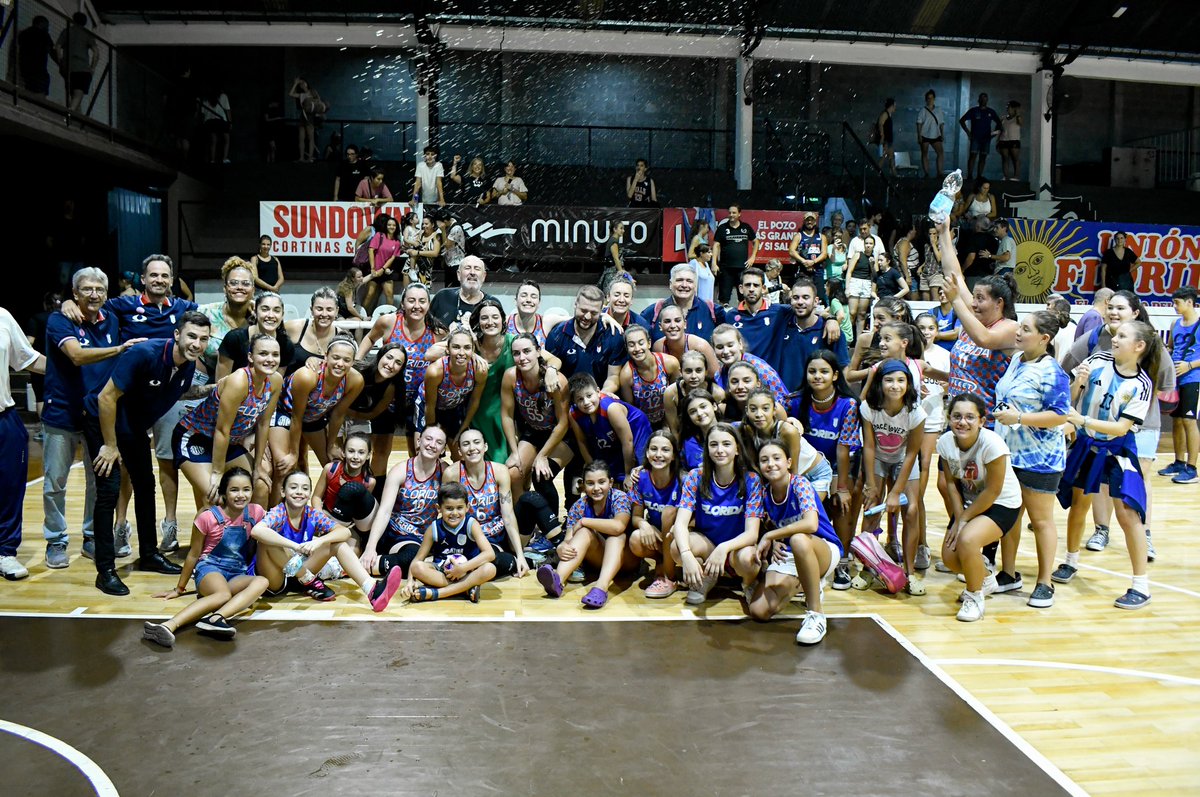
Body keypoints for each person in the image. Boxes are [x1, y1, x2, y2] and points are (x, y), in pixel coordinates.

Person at [84, 313, 212, 595]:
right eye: (192, 336)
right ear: (177, 334)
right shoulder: (144, 353)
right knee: (109, 489)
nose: (197, 343)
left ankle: (149, 554)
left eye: (203, 339)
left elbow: (176, 392)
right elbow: (105, 397)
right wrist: (109, 444)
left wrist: (215, 389)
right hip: (102, 422)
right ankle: (105, 570)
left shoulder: (188, 366)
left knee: (145, 485)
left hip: (133, 427)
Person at [1053, 321, 1160, 611]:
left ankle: (1141, 585)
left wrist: (1081, 421)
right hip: (1087, 445)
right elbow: (1073, 396)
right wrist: (1079, 385)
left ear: (1139, 347)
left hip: (1118, 451)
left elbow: (1122, 428)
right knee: (1079, 503)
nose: (1115, 339)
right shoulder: (1097, 360)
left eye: (1122, 336)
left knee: (1128, 515)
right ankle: (1070, 561)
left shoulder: (1142, 384)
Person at [1060, 291, 1174, 558]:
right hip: (1095, 426)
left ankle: (1143, 533)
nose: (1113, 312)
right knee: (1097, 480)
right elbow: (1067, 370)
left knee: (1139, 476)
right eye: (1110, 307)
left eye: (1120, 308)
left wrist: (1132, 401)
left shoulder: (1149, 342)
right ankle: (1102, 529)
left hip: (1140, 423)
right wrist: (1079, 391)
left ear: (1134, 313)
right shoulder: (1095, 341)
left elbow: (1165, 383)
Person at [41, 270, 138, 569]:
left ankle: (91, 537)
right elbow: (77, 355)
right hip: (63, 413)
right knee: (55, 481)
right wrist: (119, 349)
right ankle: (56, 539)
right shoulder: (60, 320)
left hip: (96, 416)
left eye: (99, 289)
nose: (93, 294)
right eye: (86, 290)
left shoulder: (111, 317)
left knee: (96, 481)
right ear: (74, 292)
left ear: (107, 293)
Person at [991, 311, 1071, 608]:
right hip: (1008, 453)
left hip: (1040, 459)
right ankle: (1008, 573)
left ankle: (1044, 582)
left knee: (1040, 521)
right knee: (1011, 516)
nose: (1018, 333)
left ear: (1044, 338)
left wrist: (1020, 417)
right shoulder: (1017, 359)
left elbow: (1060, 415)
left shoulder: (1052, 372)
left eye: (1026, 329)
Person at [141, 469, 269, 648]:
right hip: (210, 568)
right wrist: (179, 588)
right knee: (223, 595)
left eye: (246, 489)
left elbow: (275, 526)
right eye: (234, 490)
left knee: (262, 581)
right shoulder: (207, 517)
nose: (241, 495)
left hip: (236, 572)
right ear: (224, 492)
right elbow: (194, 554)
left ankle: (216, 618)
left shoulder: (256, 512)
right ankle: (167, 625)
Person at [252, 470, 404, 609]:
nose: (299, 492)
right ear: (283, 491)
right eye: (293, 487)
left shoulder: (311, 513)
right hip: (276, 578)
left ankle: (372, 589)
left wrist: (320, 541)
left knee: (337, 544)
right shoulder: (278, 512)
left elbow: (344, 532)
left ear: (310, 493)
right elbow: (257, 531)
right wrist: (294, 546)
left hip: (302, 571)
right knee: (266, 541)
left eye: (305, 488)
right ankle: (307, 580)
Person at [938, 394, 1025, 622]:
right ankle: (985, 577)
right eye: (957, 416)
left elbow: (992, 491)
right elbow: (951, 483)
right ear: (949, 418)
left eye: (969, 417)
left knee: (967, 540)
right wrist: (958, 519)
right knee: (949, 557)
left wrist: (964, 520)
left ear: (982, 421)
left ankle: (974, 597)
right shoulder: (945, 442)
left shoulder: (992, 443)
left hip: (1002, 503)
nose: (962, 422)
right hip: (970, 503)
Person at [747, 440, 841, 645]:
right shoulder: (764, 493)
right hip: (791, 552)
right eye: (764, 460)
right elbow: (763, 526)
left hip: (822, 548)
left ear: (788, 462)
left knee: (799, 539)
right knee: (758, 610)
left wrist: (770, 536)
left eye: (776, 458)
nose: (771, 464)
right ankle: (806, 583)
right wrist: (772, 538)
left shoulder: (800, 484)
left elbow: (811, 524)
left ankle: (816, 614)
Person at [175, 334, 282, 509]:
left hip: (228, 442)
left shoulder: (276, 381)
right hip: (195, 436)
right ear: (250, 357)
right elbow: (222, 430)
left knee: (261, 486)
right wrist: (218, 472)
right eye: (263, 354)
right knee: (214, 498)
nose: (270, 359)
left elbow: (264, 423)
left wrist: (258, 466)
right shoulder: (239, 381)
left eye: (275, 355)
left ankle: (254, 536)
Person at [788, 350, 861, 589]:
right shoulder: (795, 401)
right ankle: (799, 555)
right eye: (812, 371)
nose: (817, 376)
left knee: (842, 503)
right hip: (805, 468)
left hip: (839, 466)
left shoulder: (847, 404)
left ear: (835, 375)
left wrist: (840, 488)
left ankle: (842, 560)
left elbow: (843, 449)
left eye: (823, 371)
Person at [670, 423, 765, 604]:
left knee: (748, 559)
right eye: (713, 445)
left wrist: (724, 548)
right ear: (707, 449)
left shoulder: (751, 479)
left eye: (726, 444)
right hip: (708, 546)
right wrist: (686, 555)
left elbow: (752, 534)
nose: (720, 450)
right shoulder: (695, 476)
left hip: (735, 550)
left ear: (737, 449)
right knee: (676, 547)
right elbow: (681, 523)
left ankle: (749, 583)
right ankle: (706, 577)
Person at [936, 218, 1018, 421]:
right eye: (974, 297)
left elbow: (985, 339)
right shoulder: (973, 318)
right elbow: (954, 274)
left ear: (998, 304)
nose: (973, 303)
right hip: (957, 419)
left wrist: (955, 299)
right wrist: (944, 232)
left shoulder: (1011, 327)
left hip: (988, 423)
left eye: (980, 299)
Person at [859, 359, 926, 594]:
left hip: (902, 460)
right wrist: (870, 484)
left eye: (901, 380)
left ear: (908, 383)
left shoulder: (916, 412)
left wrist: (896, 491)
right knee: (871, 507)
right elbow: (868, 446)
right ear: (880, 382)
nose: (895, 386)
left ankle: (909, 572)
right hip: (877, 457)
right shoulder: (869, 407)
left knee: (912, 510)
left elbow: (911, 454)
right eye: (889, 380)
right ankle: (868, 568)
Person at [535, 461, 636, 609]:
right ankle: (557, 580)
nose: (596, 488)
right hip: (599, 559)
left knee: (616, 536)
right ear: (583, 485)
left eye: (601, 482)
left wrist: (584, 521)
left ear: (611, 482)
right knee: (583, 532)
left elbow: (618, 526)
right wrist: (562, 547)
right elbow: (569, 539)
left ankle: (601, 588)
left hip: (627, 559)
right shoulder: (579, 506)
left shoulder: (619, 497)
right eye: (590, 483)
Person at [357, 283, 444, 453]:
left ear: (428, 305)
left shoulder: (437, 331)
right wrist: (356, 363)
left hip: (418, 400)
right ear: (403, 303)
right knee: (381, 450)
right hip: (387, 397)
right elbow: (369, 338)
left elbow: (457, 345)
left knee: (419, 450)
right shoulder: (389, 321)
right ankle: (381, 480)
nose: (416, 306)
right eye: (411, 301)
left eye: (422, 301)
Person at [268, 335, 363, 484]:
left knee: (333, 467)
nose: (340, 364)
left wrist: (331, 445)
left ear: (353, 362)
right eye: (336, 357)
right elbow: (296, 418)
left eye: (346, 360)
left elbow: (338, 414)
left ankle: (328, 505)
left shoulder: (355, 381)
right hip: (286, 412)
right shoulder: (307, 376)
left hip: (313, 416)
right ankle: (276, 507)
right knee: (285, 467)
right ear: (326, 356)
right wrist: (293, 453)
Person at [361, 426, 448, 577]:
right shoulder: (401, 470)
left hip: (426, 536)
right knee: (411, 558)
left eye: (439, 442)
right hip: (398, 533)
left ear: (443, 448)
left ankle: (378, 564)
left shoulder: (446, 472)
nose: (432, 445)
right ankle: (364, 565)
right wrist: (370, 547)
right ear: (419, 441)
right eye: (428, 439)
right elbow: (385, 511)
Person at [0, 308, 45, 581]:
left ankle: (5, 552)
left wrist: (84, 367)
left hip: (4, 417)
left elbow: (29, 359)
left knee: (9, 488)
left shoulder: (2, 317)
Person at [447, 428, 528, 578]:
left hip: (492, 539)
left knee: (504, 562)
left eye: (476, 442)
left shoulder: (500, 471)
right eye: (466, 444)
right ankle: (467, 575)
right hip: (465, 540)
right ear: (459, 451)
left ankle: (465, 573)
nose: (472, 448)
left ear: (485, 446)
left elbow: (508, 515)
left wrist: (520, 554)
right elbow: (446, 514)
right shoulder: (452, 474)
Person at [501, 333, 572, 500]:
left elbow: (563, 423)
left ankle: (550, 524)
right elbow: (507, 416)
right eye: (517, 353)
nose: (522, 357)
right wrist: (514, 452)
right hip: (534, 432)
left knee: (541, 475)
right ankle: (524, 523)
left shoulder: (557, 381)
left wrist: (542, 455)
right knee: (513, 474)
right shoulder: (511, 377)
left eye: (527, 351)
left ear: (538, 351)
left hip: (562, 436)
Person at [400, 483, 497, 604]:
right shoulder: (434, 528)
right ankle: (466, 588)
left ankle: (437, 593)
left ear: (467, 507)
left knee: (490, 569)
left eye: (459, 508)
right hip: (443, 574)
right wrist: (410, 581)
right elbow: (418, 559)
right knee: (416, 567)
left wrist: (462, 569)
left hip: (468, 571)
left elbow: (490, 554)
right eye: (449, 508)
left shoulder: (471, 524)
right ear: (439, 508)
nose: (454, 513)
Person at [568, 373, 652, 490]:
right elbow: (582, 442)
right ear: (574, 402)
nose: (586, 402)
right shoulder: (573, 413)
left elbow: (627, 442)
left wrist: (628, 474)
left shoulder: (612, 408)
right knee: (606, 472)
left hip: (636, 429)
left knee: (637, 474)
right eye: (580, 399)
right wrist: (593, 470)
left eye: (589, 395)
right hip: (610, 435)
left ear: (598, 392)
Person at [629, 429, 683, 598]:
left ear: (674, 455)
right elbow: (636, 517)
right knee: (636, 539)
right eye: (654, 449)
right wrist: (643, 524)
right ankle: (663, 562)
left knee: (668, 513)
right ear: (646, 452)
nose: (658, 454)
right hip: (659, 535)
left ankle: (668, 576)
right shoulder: (641, 478)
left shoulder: (684, 479)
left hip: (681, 537)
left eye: (665, 450)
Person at [544, 285, 626, 392]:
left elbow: (613, 376)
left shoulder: (613, 335)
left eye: (594, 313)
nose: (587, 317)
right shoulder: (557, 336)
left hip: (601, 396)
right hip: (568, 398)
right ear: (575, 304)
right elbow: (554, 376)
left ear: (602, 310)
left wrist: (602, 394)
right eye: (583, 310)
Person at [416, 327, 486, 450]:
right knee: (426, 449)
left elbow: (474, 401)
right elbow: (430, 406)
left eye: (467, 347)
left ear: (473, 350)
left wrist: (463, 428)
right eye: (456, 347)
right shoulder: (435, 371)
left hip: (453, 407)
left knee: (457, 451)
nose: (461, 353)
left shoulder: (479, 370)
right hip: (428, 407)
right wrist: (432, 434)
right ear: (447, 349)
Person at [345, 343, 407, 476]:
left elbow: (373, 414)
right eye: (389, 357)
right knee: (350, 452)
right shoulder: (357, 371)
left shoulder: (393, 386)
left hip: (373, 415)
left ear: (401, 368)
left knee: (382, 452)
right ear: (380, 356)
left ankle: (377, 487)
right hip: (345, 413)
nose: (391, 365)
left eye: (398, 362)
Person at [1161, 286, 1200, 484]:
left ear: (1190, 303)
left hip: (1192, 378)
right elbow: (1171, 346)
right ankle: (1178, 462)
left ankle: (1192, 468)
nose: (1174, 306)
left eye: (1177, 302)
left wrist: (1189, 365)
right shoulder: (1174, 324)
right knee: (1176, 420)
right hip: (1174, 379)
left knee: (1189, 421)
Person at [312, 432, 378, 542]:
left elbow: (360, 511)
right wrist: (320, 518)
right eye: (351, 451)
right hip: (325, 515)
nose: (356, 457)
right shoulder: (330, 469)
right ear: (343, 452)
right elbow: (316, 497)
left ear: (368, 455)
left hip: (347, 525)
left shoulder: (369, 482)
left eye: (361, 452)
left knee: (354, 551)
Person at [643, 263, 726, 344]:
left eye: (689, 281)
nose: (684, 285)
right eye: (679, 280)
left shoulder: (714, 312)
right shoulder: (653, 312)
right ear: (670, 284)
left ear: (695, 285)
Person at [710, 324, 788, 406]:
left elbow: (783, 402)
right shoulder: (719, 375)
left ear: (740, 344)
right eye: (720, 347)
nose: (725, 351)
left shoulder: (760, 369)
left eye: (730, 345)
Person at [618, 325, 679, 428]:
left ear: (649, 343)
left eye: (641, 343)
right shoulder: (626, 375)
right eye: (631, 345)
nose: (637, 349)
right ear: (627, 348)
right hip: (643, 423)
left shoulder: (670, 363)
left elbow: (677, 396)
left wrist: (669, 425)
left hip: (668, 416)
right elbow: (632, 410)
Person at [663, 352, 726, 439]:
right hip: (686, 437)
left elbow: (723, 424)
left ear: (706, 371)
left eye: (698, 370)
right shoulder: (671, 393)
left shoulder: (717, 393)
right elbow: (674, 430)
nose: (693, 376)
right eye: (688, 371)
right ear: (680, 372)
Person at [651, 303, 720, 379]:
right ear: (660, 326)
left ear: (685, 324)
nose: (673, 326)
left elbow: (717, 377)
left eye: (677, 320)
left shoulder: (700, 346)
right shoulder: (658, 347)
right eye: (667, 321)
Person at [429, 255, 500, 328]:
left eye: (477, 269)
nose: (472, 272)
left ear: (484, 276)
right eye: (467, 268)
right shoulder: (443, 297)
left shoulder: (492, 303)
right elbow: (427, 328)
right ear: (459, 275)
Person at [285, 287, 341, 375]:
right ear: (311, 310)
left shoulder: (340, 337)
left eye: (329, 309)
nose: (324, 314)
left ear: (336, 311)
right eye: (319, 309)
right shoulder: (293, 327)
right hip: (292, 385)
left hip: (323, 386)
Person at [712, 205, 759, 305]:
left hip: (742, 268)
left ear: (739, 214)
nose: (731, 215)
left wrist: (753, 257)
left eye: (734, 213)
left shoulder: (745, 227)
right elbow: (716, 245)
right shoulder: (722, 228)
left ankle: (742, 318)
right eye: (729, 213)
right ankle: (723, 319)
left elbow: (756, 242)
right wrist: (714, 263)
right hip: (726, 268)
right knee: (724, 299)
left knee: (743, 297)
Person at [55, 13, 97, 113]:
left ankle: (76, 117)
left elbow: (58, 47)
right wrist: (92, 67)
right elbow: (96, 52)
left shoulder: (67, 31)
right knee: (78, 93)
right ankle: (70, 113)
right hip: (82, 67)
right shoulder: (86, 34)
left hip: (69, 67)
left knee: (72, 94)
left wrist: (61, 62)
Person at [362, 215, 402, 311]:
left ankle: (390, 317)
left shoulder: (397, 242)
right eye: (389, 225)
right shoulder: (379, 236)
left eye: (393, 225)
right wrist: (373, 268)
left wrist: (383, 269)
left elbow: (392, 258)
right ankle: (362, 317)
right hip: (374, 271)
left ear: (396, 227)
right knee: (369, 295)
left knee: (389, 294)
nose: (391, 227)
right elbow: (371, 251)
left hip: (386, 272)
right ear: (386, 226)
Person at [958, 93, 1001, 181]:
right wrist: (968, 132)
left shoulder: (990, 111)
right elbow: (962, 120)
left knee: (983, 157)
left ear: (987, 100)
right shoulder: (974, 110)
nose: (983, 100)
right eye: (982, 99)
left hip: (986, 138)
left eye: (985, 99)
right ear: (979, 100)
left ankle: (979, 176)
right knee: (973, 155)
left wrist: (994, 133)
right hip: (975, 137)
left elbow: (999, 122)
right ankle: (970, 175)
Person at [845, 235, 882, 335]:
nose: (868, 245)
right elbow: (849, 271)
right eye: (866, 243)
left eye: (870, 244)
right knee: (852, 312)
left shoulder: (874, 257)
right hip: (855, 281)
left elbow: (875, 275)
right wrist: (847, 287)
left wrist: (872, 264)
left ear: (874, 246)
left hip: (867, 283)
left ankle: (858, 341)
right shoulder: (858, 254)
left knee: (862, 314)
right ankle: (848, 338)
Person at [289, 78, 327, 163]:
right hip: (303, 115)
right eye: (300, 84)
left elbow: (319, 102)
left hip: (310, 116)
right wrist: (295, 83)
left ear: (306, 83)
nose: (302, 84)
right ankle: (301, 157)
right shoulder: (301, 95)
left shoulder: (313, 91)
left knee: (310, 137)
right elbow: (290, 94)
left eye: (303, 82)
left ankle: (310, 158)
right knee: (301, 138)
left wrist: (312, 104)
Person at [787, 213, 828, 291]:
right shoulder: (798, 236)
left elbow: (824, 254)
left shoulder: (822, 237)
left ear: (815, 222)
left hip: (817, 272)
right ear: (804, 221)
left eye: (812, 220)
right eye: (807, 220)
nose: (809, 222)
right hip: (803, 272)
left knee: (819, 297)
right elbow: (791, 251)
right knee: (802, 293)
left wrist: (813, 262)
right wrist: (804, 261)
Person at [17, 16, 55, 96]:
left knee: (28, 87)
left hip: (24, 66)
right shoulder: (44, 35)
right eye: (47, 26)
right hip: (39, 68)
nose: (47, 28)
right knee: (41, 88)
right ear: (41, 24)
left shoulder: (24, 33)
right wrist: (61, 64)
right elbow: (52, 51)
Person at [916, 88, 946, 177]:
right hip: (925, 134)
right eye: (928, 98)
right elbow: (919, 123)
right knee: (925, 153)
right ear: (926, 99)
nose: (930, 100)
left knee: (940, 153)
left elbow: (941, 123)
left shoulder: (938, 109)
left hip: (935, 134)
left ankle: (939, 172)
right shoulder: (923, 110)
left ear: (934, 99)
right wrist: (919, 135)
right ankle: (926, 173)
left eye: (931, 98)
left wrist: (942, 134)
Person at [200, 85, 232, 164]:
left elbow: (203, 112)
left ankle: (212, 160)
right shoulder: (223, 96)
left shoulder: (205, 97)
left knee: (213, 140)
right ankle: (224, 158)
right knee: (227, 139)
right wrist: (230, 122)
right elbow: (228, 110)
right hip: (220, 120)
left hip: (209, 121)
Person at [599, 222, 633, 293]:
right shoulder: (613, 242)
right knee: (608, 296)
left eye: (623, 228)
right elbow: (616, 258)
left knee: (609, 297)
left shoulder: (613, 240)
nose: (623, 231)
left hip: (612, 273)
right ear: (615, 229)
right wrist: (621, 272)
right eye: (621, 228)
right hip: (611, 274)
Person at [437, 208, 466, 288]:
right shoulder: (449, 224)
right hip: (449, 262)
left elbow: (447, 245)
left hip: (456, 263)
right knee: (448, 288)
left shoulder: (456, 228)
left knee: (455, 289)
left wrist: (443, 230)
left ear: (445, 221)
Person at [998, 100, 1023, 179]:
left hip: (1014, 140)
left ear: (1013, 108)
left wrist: (1018, 113)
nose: (1007, 108)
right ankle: (1005, 176)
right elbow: (999, 130)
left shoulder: (1017, 118)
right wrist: (997, 141)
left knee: (1015, 158)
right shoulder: (1003, 118)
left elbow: (1021, 123)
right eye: (1007, 107)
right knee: (1005, 158)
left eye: (1009, 107)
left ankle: (1016, 176)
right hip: (1003, 140)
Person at [875, 98, 897, 178]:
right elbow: (880, 124)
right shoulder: (885, 114)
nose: (895, 107)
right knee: (883, 158)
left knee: (891, 157)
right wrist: (882, 136)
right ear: (891, 105)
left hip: (888, 140)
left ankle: (894, 173)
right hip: (885, 140)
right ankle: (877, 174)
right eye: (894, 105)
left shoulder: (888, 114)